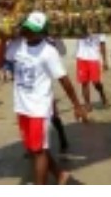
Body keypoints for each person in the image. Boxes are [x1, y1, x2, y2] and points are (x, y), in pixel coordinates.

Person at [7, 12, 88, 185]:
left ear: (43, 32)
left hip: (39, 109)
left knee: (38, 151)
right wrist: (1, 39)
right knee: (34, 148)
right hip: (21, 107)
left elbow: (64, 80)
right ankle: (60, 175)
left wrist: (77, 105)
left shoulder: (49, 52)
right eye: (27, 28)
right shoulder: (17, 45)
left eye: (34, 30)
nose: (29, 32)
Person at [75, 33, 111, 110]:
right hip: (81, 57)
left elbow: (102, 45)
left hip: (94, 58)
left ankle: (102, 95)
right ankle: (87, 104)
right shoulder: (80, 26)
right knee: (84, 82)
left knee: (96, 82)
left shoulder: (100, 29)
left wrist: (105, 61)